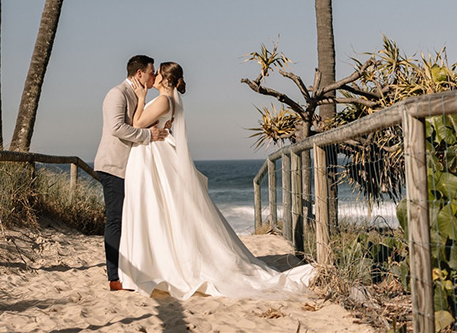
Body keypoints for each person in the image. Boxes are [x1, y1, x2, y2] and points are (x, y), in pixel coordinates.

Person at [117, 61, 314, 301]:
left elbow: (137, 124)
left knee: (158, 209)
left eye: (158, 73)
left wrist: (139, 97)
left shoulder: (163, 100)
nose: (154, 77)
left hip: (154, 157)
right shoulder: (169, 101)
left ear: (165, 79)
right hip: (155, 157)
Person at [94, 55, 170, 291]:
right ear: (139, 74)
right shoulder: (117, 94)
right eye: (151, 72)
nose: (154, 76)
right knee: (115, 219)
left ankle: (133, 272)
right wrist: (149, 135)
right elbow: (117, 127)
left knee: (131, 219)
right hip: (114, 165)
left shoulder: (140, 96)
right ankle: (114, 277)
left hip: (132, 168)